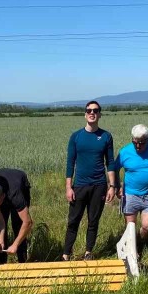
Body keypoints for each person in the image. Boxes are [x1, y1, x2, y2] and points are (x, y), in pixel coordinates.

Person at [62, 101, 116, 261]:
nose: (92, 113)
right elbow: (70, 163)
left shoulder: (106, 136)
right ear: (85, 114)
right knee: (73, 220)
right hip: (79, 186)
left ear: (99, 114)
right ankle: (66, 253)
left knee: (93, 220)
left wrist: (112, 186)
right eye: (89, 110)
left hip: (99, 185)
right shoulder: (76, 137)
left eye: (95, 110)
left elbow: (110, 162)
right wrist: (68, 187)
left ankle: (88, 252)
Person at [114, 124, 148, 261]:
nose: (138, 146)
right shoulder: (125, 152)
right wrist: (117, 186)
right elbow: (114, 169)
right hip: (130, 195)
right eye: (135, 143)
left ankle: (139, 243)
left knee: (147, 226)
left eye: (141, 143)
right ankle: (133, 252)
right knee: (130, 228)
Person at [0, 169, 33, 264]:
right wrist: (0, 241)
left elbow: (28, 222)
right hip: (3, 185)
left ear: (3, 196)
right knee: (3, 221)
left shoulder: (15, 195)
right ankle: (1, 262)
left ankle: (22, 262)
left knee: (18, 225)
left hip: (20, 184)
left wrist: (15, 244)